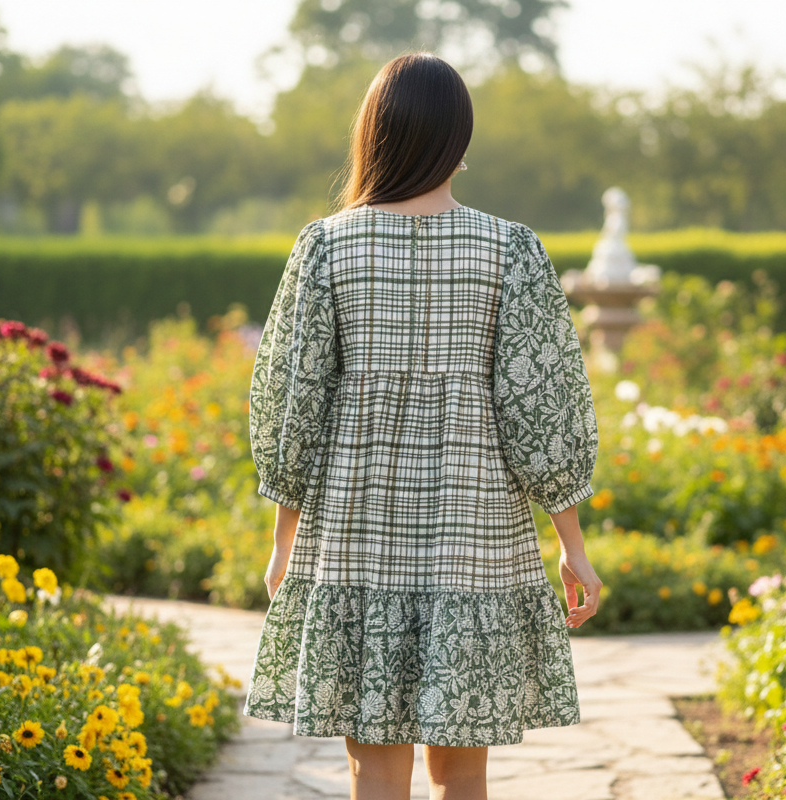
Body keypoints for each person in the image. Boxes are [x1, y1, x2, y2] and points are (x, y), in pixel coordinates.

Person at [244, 51, 602, 800]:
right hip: (474, 539)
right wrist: (571, 545)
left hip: (353, 537)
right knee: (462, 766)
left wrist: (283, 541)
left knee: (372, 763)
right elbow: (542, 406)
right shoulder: (510, 250)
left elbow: (292, 403)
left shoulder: (326, 247)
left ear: (373, 134)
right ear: (458, 141)